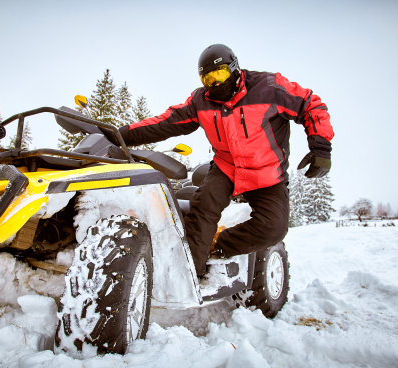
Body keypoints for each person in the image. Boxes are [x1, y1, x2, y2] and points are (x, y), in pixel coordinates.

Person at [117, 44, 334, 277]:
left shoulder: (269, 88)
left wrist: (320, 146)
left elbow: (310, 103)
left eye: (220, 74)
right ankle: (188, 274)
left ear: (234, 68)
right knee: (203, 208)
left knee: (274, 227)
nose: (216, 83)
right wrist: (119, 135)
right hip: (226, 168)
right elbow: (165, 122)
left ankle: (218, 245)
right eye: (208, 78)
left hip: (267, 173)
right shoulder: (201, 101)